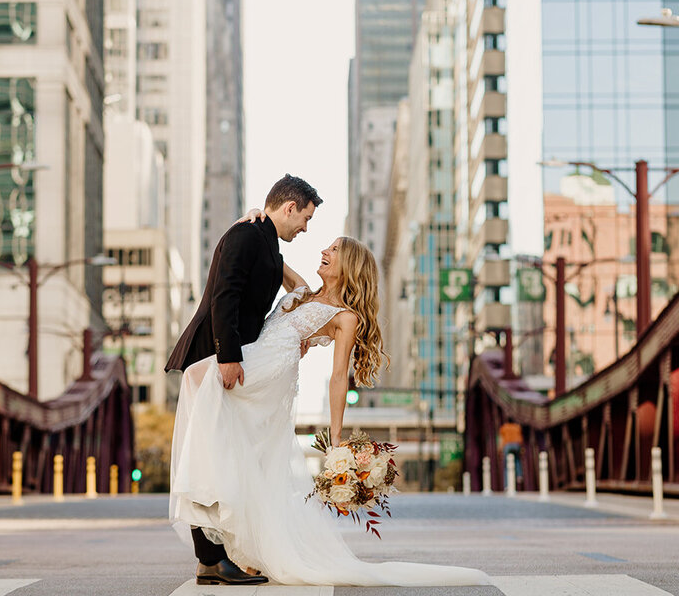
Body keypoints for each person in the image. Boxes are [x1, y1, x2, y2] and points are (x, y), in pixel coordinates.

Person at [168, 218, 489, 586]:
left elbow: (339, 377)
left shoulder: (345, 317)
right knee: (225, 439)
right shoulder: (302, 290)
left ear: (348, 265)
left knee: (200, 386)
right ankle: (227, 548)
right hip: (258, 359)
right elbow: (270, 254)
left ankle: (219, 545)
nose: (324, 251)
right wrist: (253, 220)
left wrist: (336, 438)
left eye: (334, 249)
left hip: (268, 374)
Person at [165, 174, 320, 586]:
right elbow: (225, 295)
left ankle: (212, 559)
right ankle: (212, 559)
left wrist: (295, 328)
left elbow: (297, 287)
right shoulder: (247, 235)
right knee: (208, 455)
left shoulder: (263, 238)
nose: (305, 228)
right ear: (289, 208)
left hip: (230, 357)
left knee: (219, 454)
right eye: (304, 218)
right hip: (212, 358)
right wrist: (228, 357)